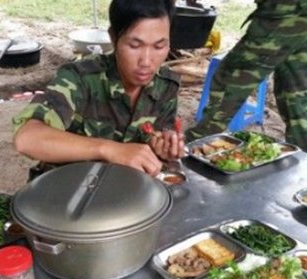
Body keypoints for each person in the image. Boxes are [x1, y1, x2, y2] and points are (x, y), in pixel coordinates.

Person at [13, 0, 184, 177]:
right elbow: (27, 139)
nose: (147, 62)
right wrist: (110, 149)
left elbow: (157, 137)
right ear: (113, 37)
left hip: (127, 191)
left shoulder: (166, 85)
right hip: (67, 190)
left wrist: (163, 145)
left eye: (159, 46)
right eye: (135, 45)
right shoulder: (80, 79)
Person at [185, 0, 307, 153]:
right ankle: (306, 154)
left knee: (232, 75)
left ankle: (194, 144)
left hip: (289, 8)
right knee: (295, 84)